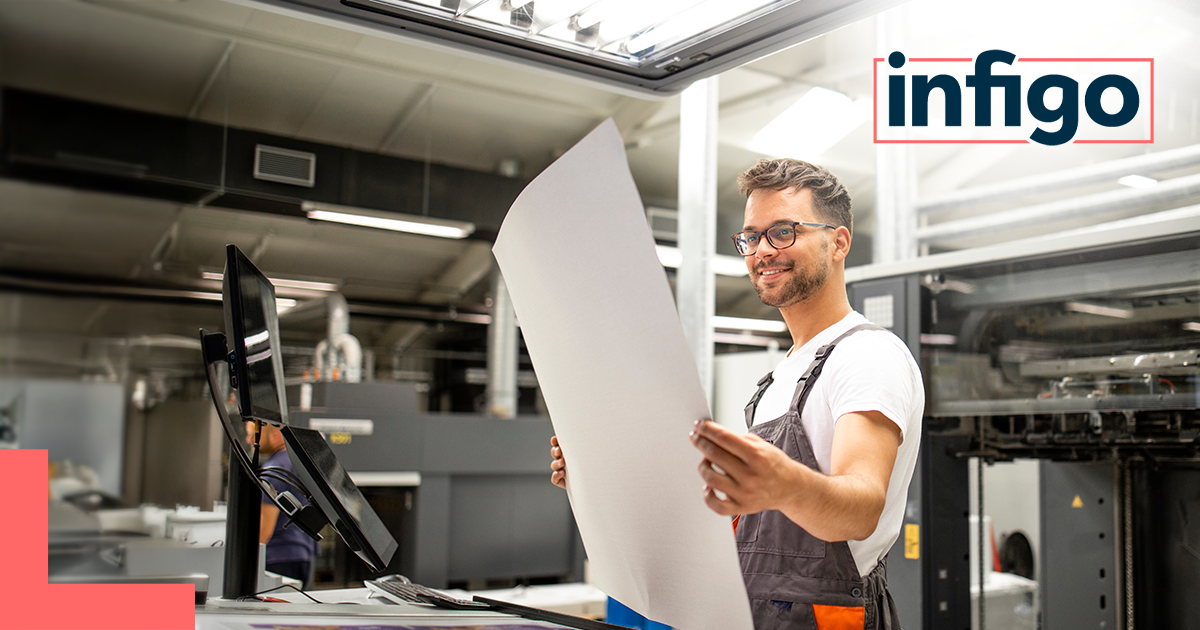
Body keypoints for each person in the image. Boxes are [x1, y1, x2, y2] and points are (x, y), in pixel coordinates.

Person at [549, 159, 923, 630]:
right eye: (751, 236)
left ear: (838, 242)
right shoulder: (778, 380)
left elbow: (861, 508)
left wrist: (782, 483)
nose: (762, 250)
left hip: (827, 618)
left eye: (783, 231)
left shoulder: (867, 354)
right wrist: (602, 484)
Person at [246, 421, 319, 589]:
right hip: (303, 553)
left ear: (274, 436)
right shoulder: (299, 463)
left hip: (278, 557)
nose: (249, 439)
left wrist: (242, 562)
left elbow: (264, 530)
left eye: (255, 434)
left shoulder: (273, 470)